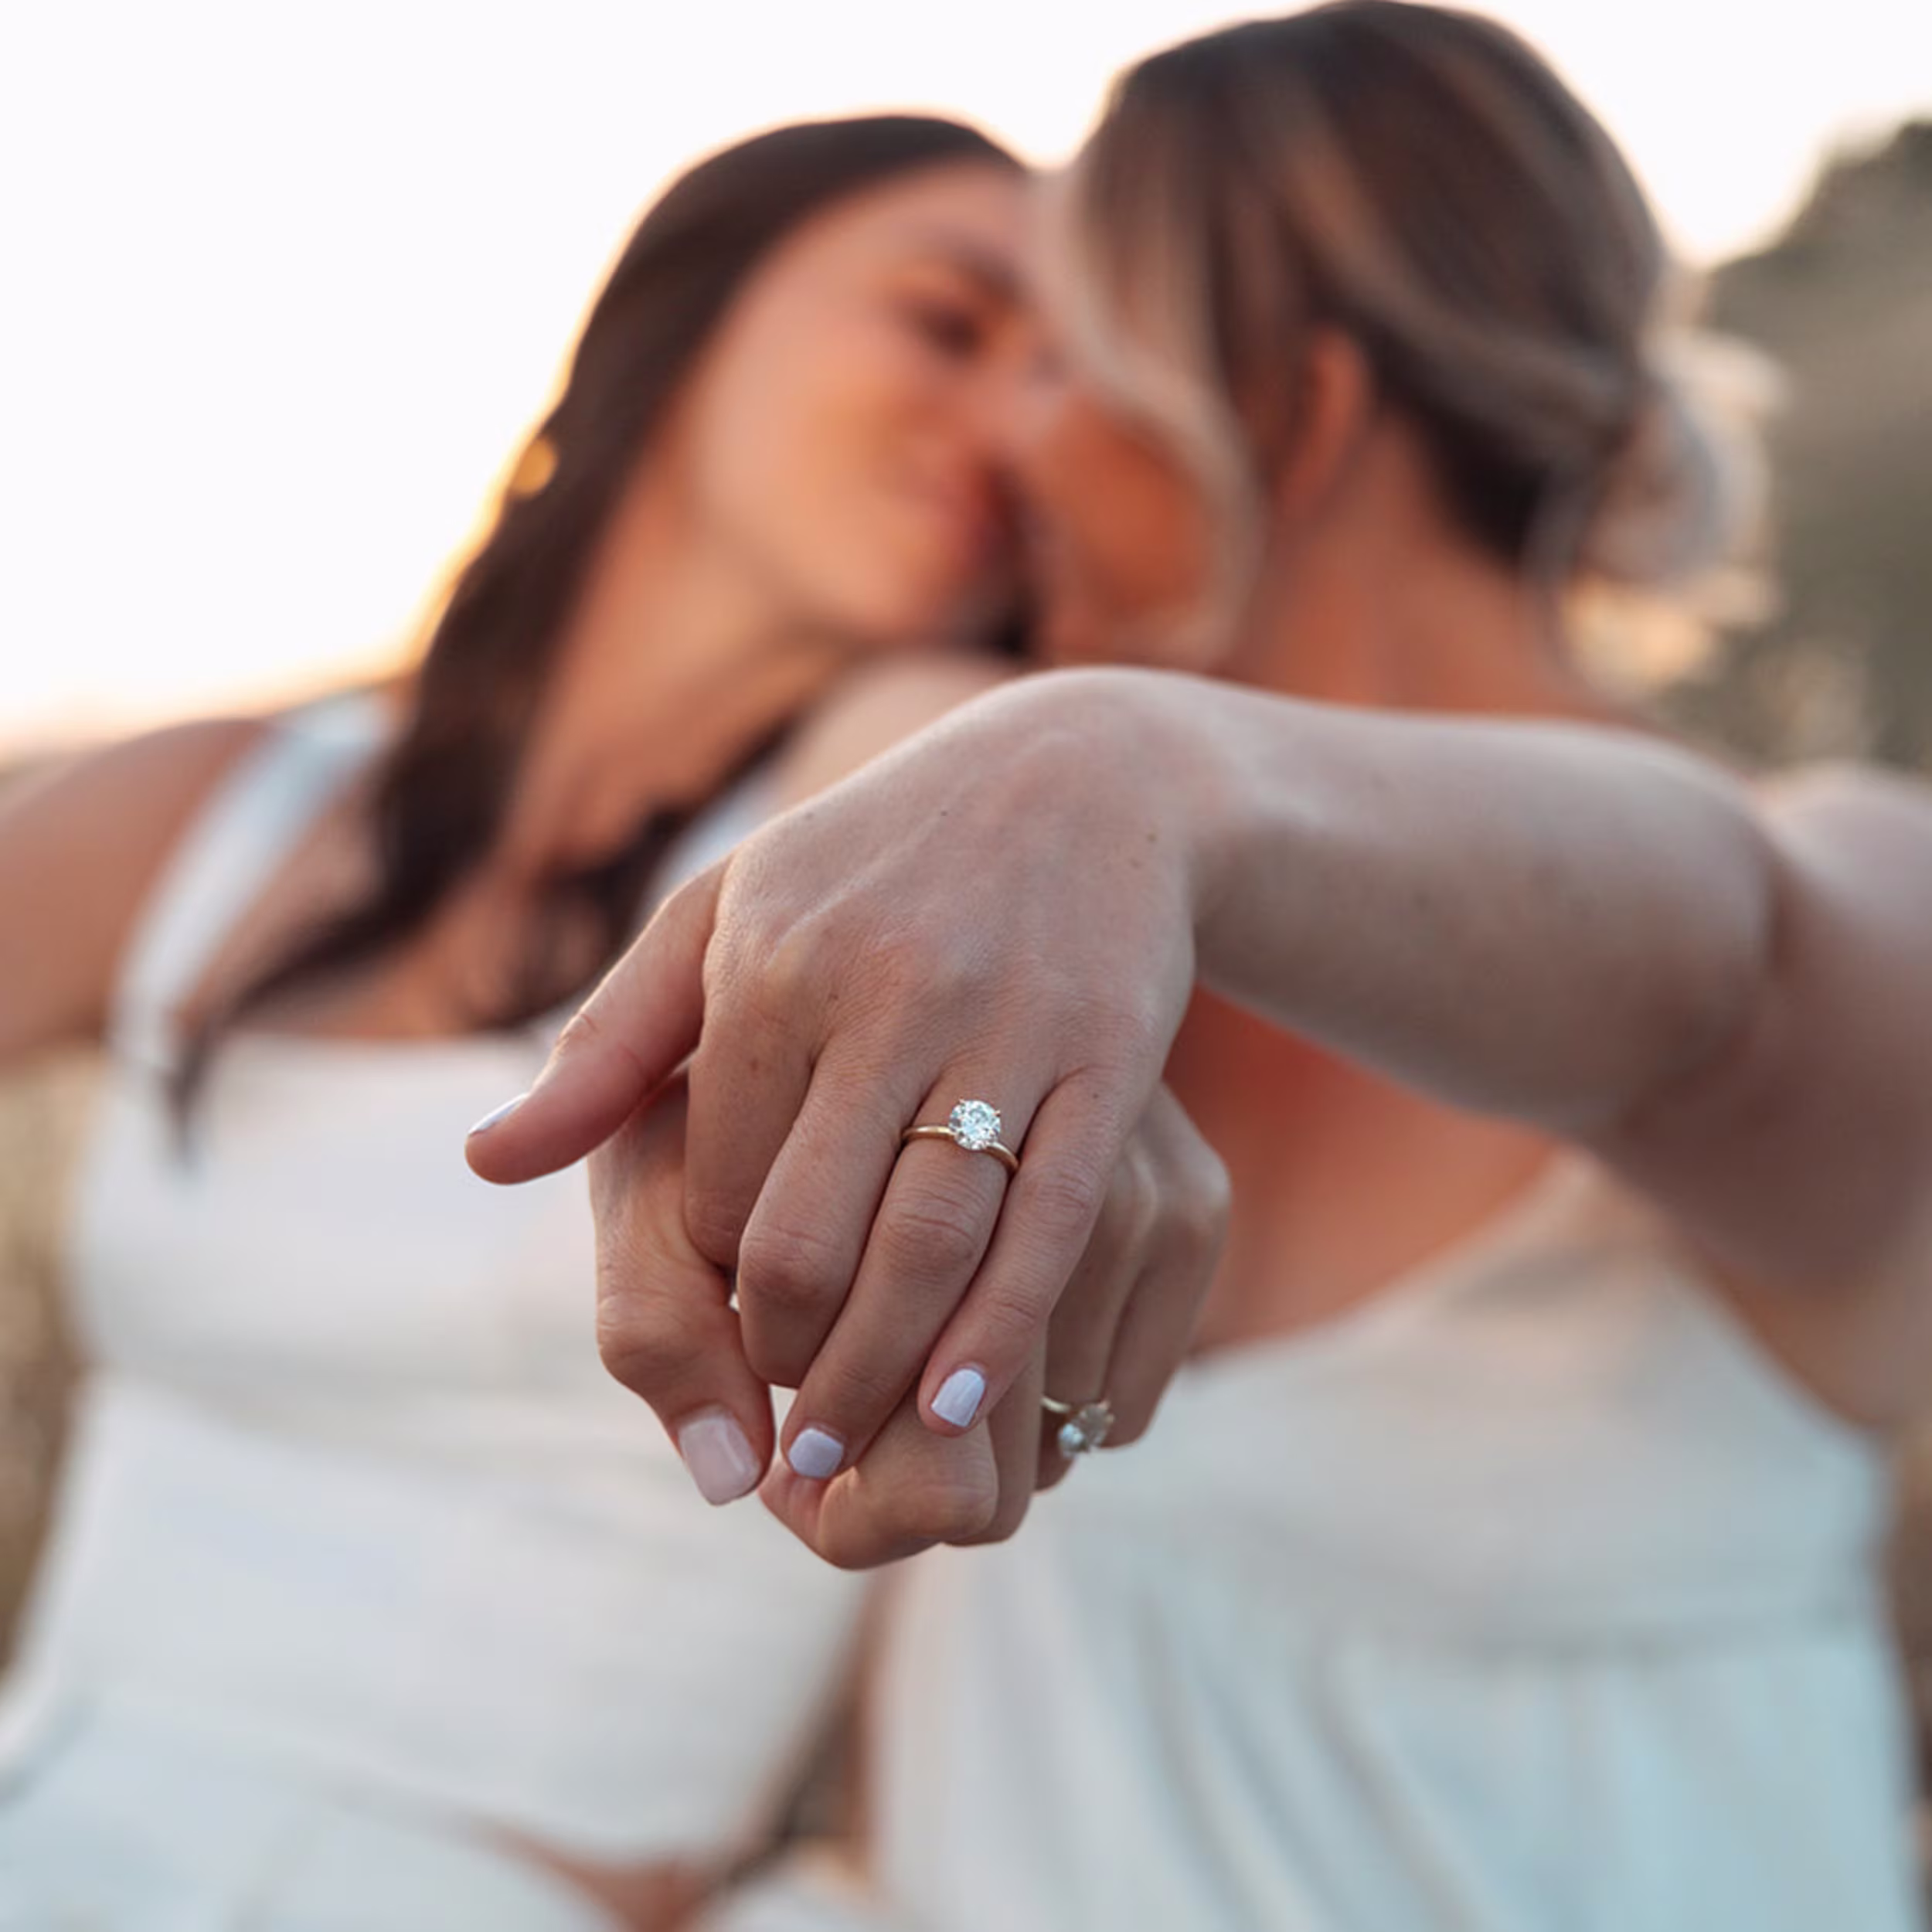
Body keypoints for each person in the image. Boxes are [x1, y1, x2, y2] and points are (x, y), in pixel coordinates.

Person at [475, 9, 1932, 1927]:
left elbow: (1721, 952)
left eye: (1061, 353)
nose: (999, 433)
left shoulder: (1840, 883)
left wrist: (1128, 762)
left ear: (1287, 416)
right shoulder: (994, 877)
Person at [0, 114, 1086, 1932]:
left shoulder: (941, 797)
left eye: (1068, 379)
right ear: (689, 314)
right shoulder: (219, 806)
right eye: (947, 322)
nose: (1007, 422)